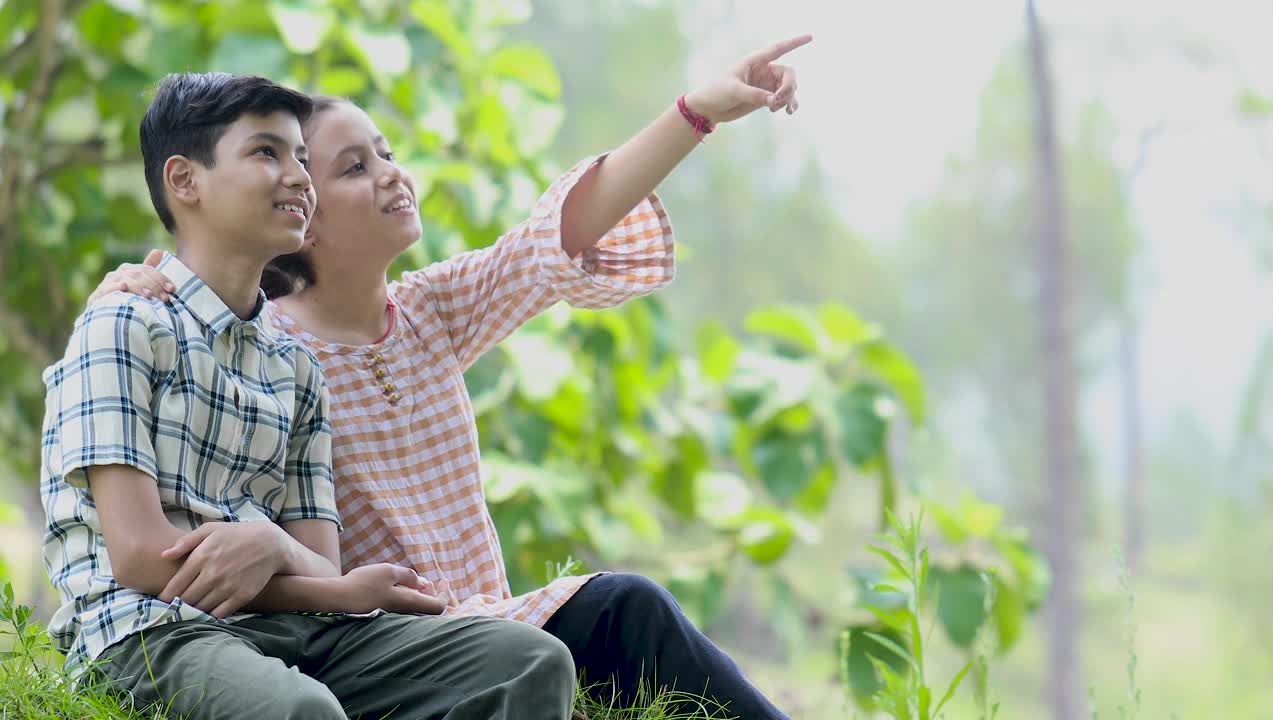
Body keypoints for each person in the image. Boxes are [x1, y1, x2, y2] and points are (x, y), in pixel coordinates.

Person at [92, 35, 811, 718]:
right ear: (300, 213)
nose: (391, 174)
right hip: (386, 641)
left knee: (625, 615)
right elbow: (189, 311)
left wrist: (698, 113)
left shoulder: (428, 310)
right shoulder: (266, 352)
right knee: (627, 607)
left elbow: (556, 237)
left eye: (386, 153)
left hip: (493, 628)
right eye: (355, 168)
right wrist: (138, 281)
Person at [47, 72, 576, 720]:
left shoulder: (293, 365)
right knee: (304, 711)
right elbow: (138, 557)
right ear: (184, 181)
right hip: (151, 630)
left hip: (297, 630)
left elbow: (321, 562)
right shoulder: (124, 323)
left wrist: (274, 550)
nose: (299, 177)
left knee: (528, 659)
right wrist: (304, 572)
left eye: (301, 157)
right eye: (266, 153)